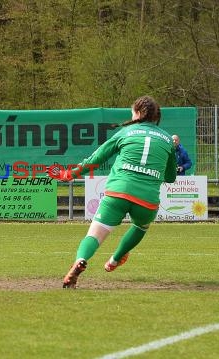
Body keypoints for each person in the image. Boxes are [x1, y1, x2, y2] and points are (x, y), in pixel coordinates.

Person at [49, 95, 177, 289]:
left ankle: (81, 260)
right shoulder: (167, 139)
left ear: (137, 114)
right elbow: (170, 178)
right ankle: (115, 260)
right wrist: (169, 152)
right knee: (140, 227)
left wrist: (70, 174)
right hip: (147, 199)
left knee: (94, 235)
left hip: (119, 192)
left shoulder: (126, 132)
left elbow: (96, 159)